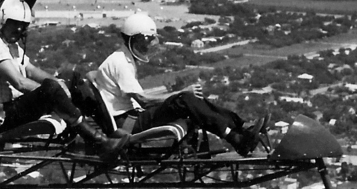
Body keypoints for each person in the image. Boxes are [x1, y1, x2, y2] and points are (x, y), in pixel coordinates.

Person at [82, 11, 263, 156]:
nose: (146, 46)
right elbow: (144, 101)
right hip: (129, 123)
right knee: (185, 99)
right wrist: (180, 93)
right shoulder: (121, 63)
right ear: (131, 40)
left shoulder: (123, 59)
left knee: (190, 99)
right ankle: (236, 137)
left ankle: (241, 128)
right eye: (143, 41)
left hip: (131, 118)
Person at [0, 0, 120, 156]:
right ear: (2, 21)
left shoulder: (10, 45)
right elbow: (19, 82)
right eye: (14, 23)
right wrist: (53, 90)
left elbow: (30, 70)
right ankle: (98, 141)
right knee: (51, 89)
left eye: (22, 25)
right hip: (4, 116)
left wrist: (57, 82)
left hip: (16, 107)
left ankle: (110, 132)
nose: (18, 29)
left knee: (70, 77)